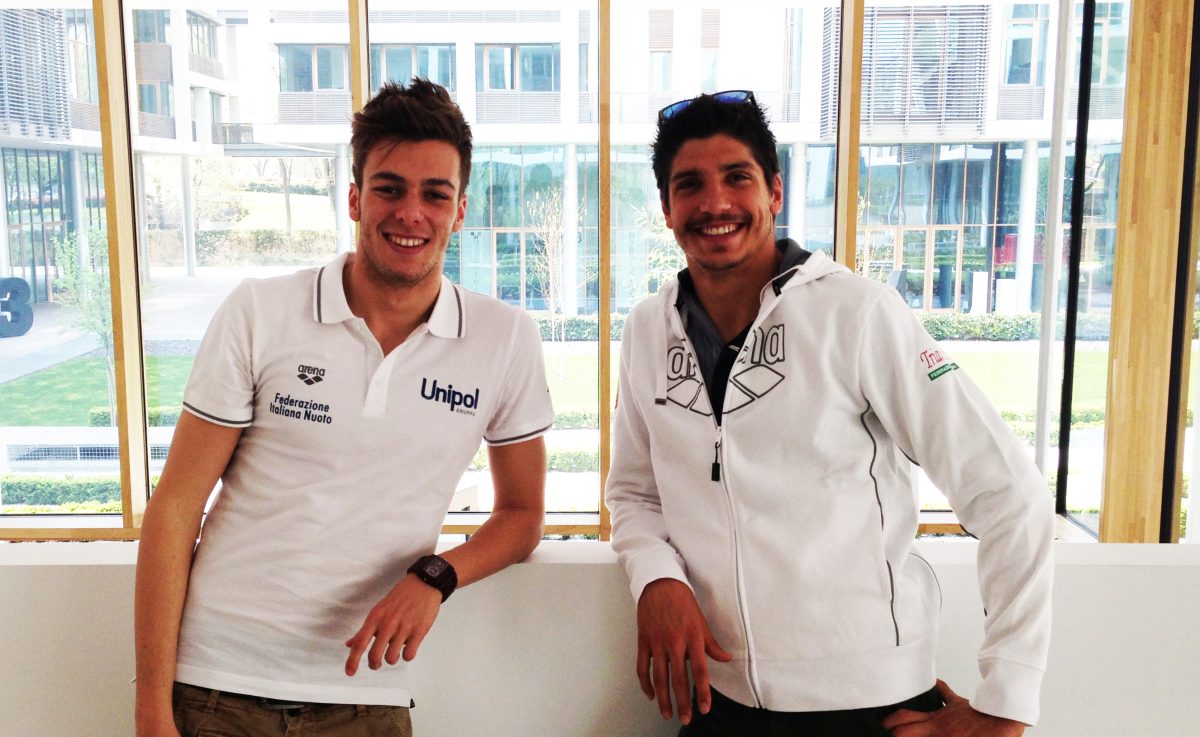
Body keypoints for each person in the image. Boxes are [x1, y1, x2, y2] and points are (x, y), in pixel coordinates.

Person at [605, 90, 1053, 737]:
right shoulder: (648, 330)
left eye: (737, 177)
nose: (715, 202)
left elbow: (1008, 491)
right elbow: (634, 492)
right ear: (667, 207)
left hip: (869, 704)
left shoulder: (858, 313)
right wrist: (656, 579)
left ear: (775, 191)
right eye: (690, 184)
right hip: (719, 701)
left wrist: (1006, 700)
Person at [134, 79, 553, 737]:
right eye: (389, 188)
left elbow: (522, 515)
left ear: (460, 211)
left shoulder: (504, 338)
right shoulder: (260, 311)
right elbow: (176, 508)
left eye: (435, 194)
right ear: (355, 198)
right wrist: (152, 709)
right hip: (215, 690)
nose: (411, 213)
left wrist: (436, 575)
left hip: (367, 698)